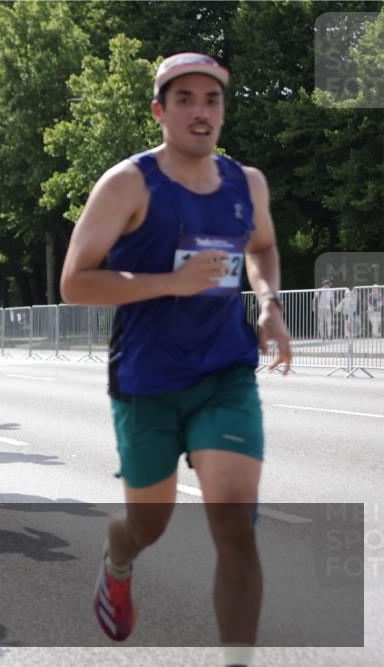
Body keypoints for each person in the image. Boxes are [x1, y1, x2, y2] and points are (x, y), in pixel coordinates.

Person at [58, 53, 292, 666]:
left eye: (211, 100)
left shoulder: (248, 183)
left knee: (236, 527)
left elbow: (262, 247)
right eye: (184, 99)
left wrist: (268, 303)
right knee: (150, 524)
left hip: (224, 373)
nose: (200, 111)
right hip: (148, 379)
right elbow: (76, 283)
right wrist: (172, 282)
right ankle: (119, 555)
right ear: (160, 111)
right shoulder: (128, 183)